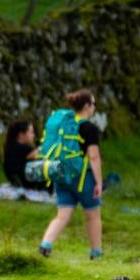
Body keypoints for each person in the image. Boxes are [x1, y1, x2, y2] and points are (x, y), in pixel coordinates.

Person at [38, 89, 103, 259]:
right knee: (92, 214)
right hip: (83, 178)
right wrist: (99, 182)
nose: (94, 108)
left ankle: (46, 244)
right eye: (94, 104)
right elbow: (94, 156)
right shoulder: (89, 128)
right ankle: (96, 252)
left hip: (62, 175)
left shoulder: (63, 124)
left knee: (62, 215)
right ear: (87, 106)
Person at [3, 120, 43, 190]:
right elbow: (42, 153)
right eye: (31, 132)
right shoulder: (23, 149)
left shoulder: (10, 147)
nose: (33, 135)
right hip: (23, 181)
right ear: (21, 134)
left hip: (15, 180)